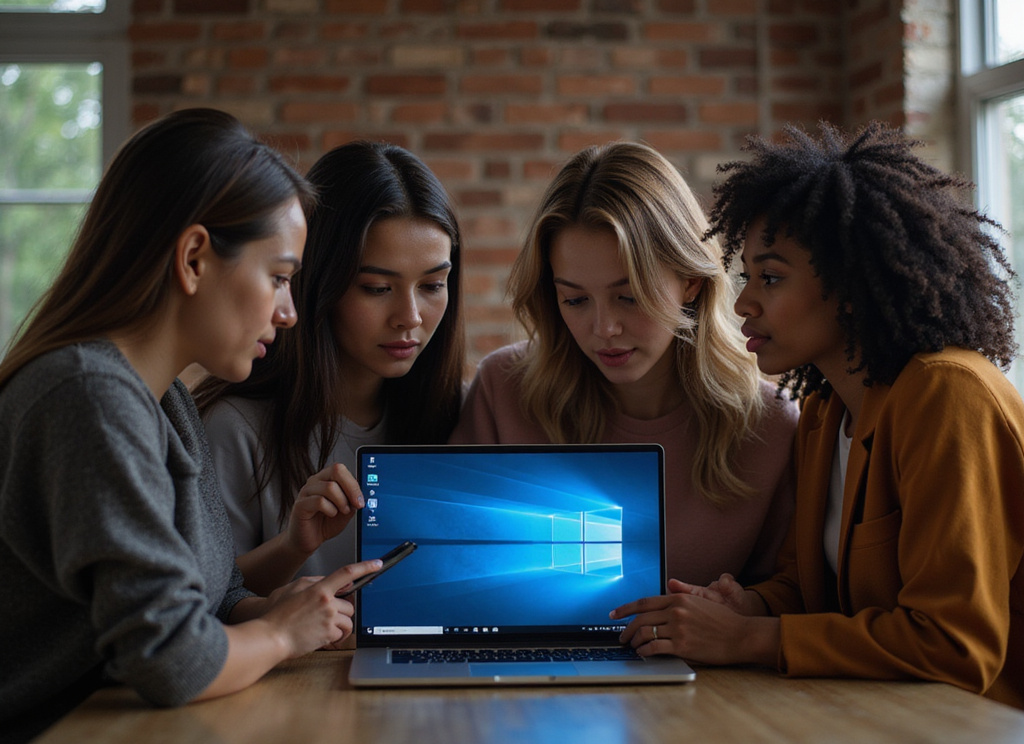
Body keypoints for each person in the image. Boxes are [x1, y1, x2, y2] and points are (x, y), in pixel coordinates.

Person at [0, 108, 383, 744]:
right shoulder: (88, 397)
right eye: (280, 278)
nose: (289, 313)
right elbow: (169, 657)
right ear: (195, 257)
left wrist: (283, 608)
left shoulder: (166, 399)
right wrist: (282, 637)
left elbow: (210, 595)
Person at [612, 122, 1024, 709]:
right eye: (747, 274)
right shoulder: (825, 410)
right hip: (880, 723)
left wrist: (753, 638)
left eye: (771, 278)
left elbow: (956, 646)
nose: (743, 302)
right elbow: (808, 589)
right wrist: (744, 606)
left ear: (852, 286)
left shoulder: (947, 396)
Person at [450, 141, 799, 587]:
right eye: (575, 299)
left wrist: (742, 613)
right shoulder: (504, 389)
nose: (604, 328)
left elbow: (790, 592)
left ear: (690, 281)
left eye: (628, 295)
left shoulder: (770, 425)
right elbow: (456, 569)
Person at [194, 141, 464, 596]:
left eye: (433, 285)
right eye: (377, 288)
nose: (411, 317)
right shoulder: (235, 428)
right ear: (319, 282)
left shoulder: (460, 412)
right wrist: (293, 547)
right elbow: (206, 604)